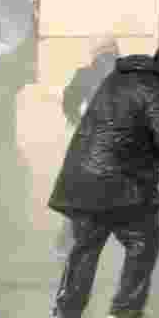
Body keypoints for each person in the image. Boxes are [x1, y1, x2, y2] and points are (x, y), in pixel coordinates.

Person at [48, 41, 159, 318]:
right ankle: (126, 310)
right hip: (120, 184)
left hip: (83, 178)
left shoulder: (117, 78)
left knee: (85, 245)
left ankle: (66, 313)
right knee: (144, 240)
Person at [53, 36, 121, 257]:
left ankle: (68, 242)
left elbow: (68, 103)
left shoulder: (86, 74)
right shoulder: (127, 74)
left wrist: (77, 120)